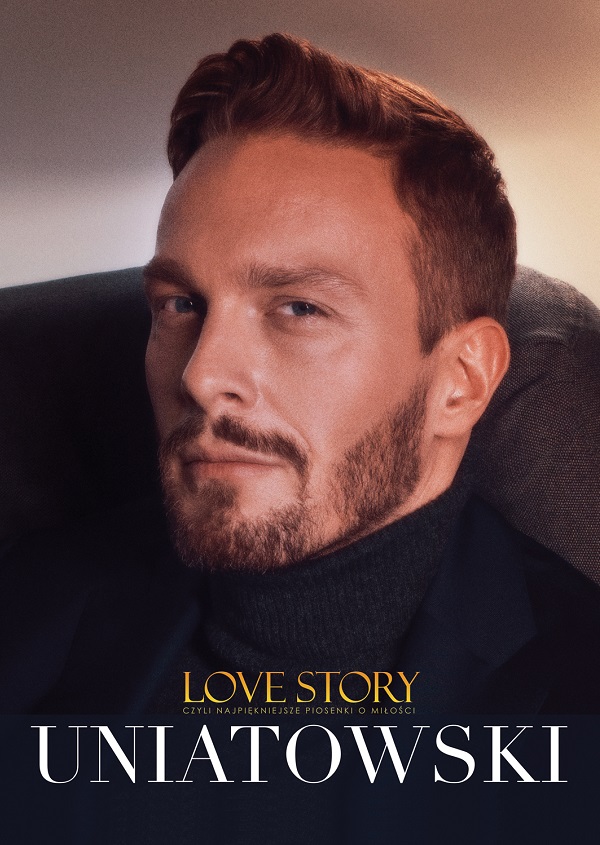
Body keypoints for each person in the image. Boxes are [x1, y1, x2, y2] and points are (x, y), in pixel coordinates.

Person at [1, 33, 600, 715]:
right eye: (181, 304)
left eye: (299, 308)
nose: (201, 376)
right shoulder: (26, 604)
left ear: (461, 381)